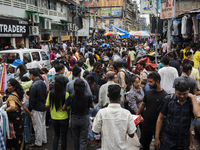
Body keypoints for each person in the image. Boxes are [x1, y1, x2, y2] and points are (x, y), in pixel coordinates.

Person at [154, 80, 200, 150]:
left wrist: (193, 97)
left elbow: (198, 114)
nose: (182, 96)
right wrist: (156, 138)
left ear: (189, 90)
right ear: (175, 90)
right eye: (179, 94)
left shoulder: (191, 102)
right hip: (167, 140)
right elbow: (160, 118)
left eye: (184, 94)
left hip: (183, 142)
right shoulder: (168, 99)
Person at [92, 84, 136, 150]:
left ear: (108, 95)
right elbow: (132, 134)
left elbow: (96, 131)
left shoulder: (101, 113)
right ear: (120, 96)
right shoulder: (127, 113)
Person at [136, 72, 168, 150]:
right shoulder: (148, 93)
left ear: (157, 81)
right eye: (148, 81)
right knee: (144, 145)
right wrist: (136, 116)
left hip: (159, 128)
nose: (148, 84)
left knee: (158, 146)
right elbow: (142, 105)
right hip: (146, 125)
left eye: (150, 81)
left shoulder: (165, 96)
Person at [62, 79, 94, 150]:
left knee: (75, 139)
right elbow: (92, 106)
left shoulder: (71, 96)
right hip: (84, 118)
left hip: (74, 118)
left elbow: (63, 107)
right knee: (83, 140)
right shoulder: (87, 96)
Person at [45, 75, 70, 150]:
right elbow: (68, 108)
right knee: (64, 136)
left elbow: (47, 106)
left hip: (54, 118)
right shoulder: (66, 94)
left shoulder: (50, 93)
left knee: (56, 135)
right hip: (64, 118)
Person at [28, 69, 47, 147]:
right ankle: (43, 139)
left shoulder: (34, 85)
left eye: (29, 75)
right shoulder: (43, 83)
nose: (29, 76)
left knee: (37, 126)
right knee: (42, 124)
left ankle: (38, 142)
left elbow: (32, 100)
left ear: (32, 75)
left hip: (37, 108)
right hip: (43, 106)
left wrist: (30, 110)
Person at [5, 79, 25, 149]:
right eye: (7, 85)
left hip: (14, 120)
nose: (8, 87)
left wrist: (5, 110)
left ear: (14, 87)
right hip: (19, 117)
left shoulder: (12, 96)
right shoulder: (18, 93)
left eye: (9, 86)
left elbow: (13, 107)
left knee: (15, 137)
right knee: (20, 136)